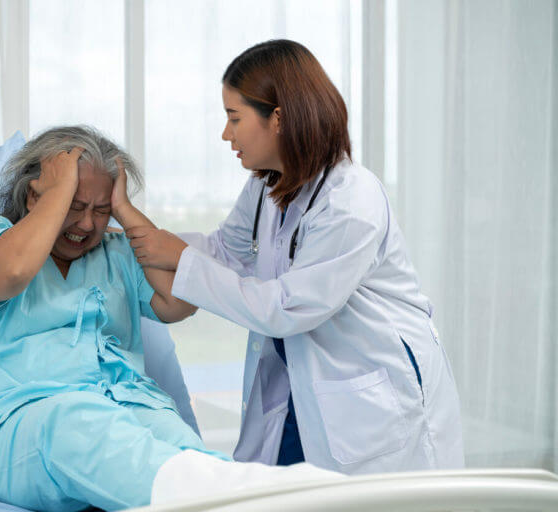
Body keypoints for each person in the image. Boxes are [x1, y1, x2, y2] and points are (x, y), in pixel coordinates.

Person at [0, 125, 342, 512]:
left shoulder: (115, 251)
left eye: (100, 210)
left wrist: (124, 209)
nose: (87, 224)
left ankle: (258, 499)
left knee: (178, 444)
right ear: (35, 196)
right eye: (74, 205)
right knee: (75, 421)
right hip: (19, 431)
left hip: (128, 409)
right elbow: (13, 272)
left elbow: (179, 302)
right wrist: (58, 190)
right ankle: (256, 497)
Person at [126, 39, 465, 474]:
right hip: (303, 389)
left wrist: (180, 258)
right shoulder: (267, 186)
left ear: (278, 118)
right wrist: (123, 225)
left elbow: (286, 307)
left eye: (234, 118)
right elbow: (223, 250)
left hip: (372, 399)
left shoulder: (349, 202)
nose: (225, 134)